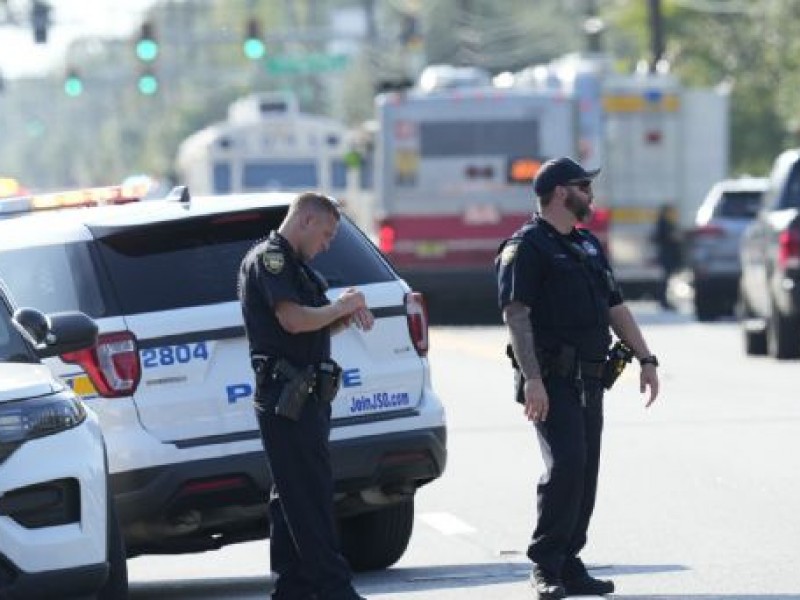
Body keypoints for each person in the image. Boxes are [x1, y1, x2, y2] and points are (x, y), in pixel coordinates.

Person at [495, 157, 660, 600]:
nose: (591, 194)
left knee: (584, 470)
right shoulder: (526, 246)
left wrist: (647, 358)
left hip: (591, 379)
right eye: (584, 186)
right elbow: (516, 314)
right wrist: (532, 379)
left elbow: (615, 306)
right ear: (561, 193)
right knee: (566, 465)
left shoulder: (586, 246)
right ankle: (545, 565)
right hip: (551, 380)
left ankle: (570, 562)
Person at [238, 191, 374, 600]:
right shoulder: (271, 259)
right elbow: (293, 320)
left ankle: (292, 588)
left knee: (291, 496)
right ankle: (334, 588)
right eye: (327, 234)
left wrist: (343, 314)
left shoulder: (298, 267)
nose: (328, 244)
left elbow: (314, 325)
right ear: (306, 221)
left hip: (306, 397)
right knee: (309, 496)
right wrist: (338, 308)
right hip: (286, 396)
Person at [651, 204, 682, 309]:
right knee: (665, 279)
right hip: (667, 255)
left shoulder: (666, 223)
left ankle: (664, 301)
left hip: (668, 254)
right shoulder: (664, 224)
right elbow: (669, 237)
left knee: (666, 279)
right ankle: (663, 301)